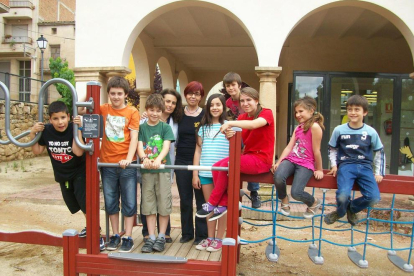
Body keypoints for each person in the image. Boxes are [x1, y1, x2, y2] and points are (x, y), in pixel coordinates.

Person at [30, 101, 105, 251]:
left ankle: (96, 235)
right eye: (56, 119)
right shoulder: (47, 131)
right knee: (74, 203)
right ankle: (92, 227)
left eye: (63, 117)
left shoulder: (73, 128)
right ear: (50, 119)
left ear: (69, 117)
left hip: (79, 172)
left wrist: (78, 130)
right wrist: (33, 133)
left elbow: (77, 152)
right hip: (63, 174)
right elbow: (37, 150)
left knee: (85, 204)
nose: (60, 122)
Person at [197, 87, 275, 220]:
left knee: (228, 164)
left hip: (262, 159)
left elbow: (254, 125)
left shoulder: (266, 113)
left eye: (249, 100)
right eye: (242, 101)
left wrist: (230, 124)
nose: (245, 103)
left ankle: (213, 202)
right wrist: (230, 134)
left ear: (256, 101)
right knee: (217, 166)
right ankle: (222, 204)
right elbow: (238, 139)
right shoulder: (242, 117)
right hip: (248, 156)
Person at [324, 95, 385, 226]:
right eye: (350, 109)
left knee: (374, 197)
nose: (353, 112)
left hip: (365, 166)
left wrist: (379, 172)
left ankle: (352, 209)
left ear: (365, 112)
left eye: (357, 109)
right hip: (346, 166)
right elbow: (332, 149)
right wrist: (334, 165)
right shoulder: (339, 130)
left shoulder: (370, 132)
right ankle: (340, 212)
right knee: (342, 195)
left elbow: (379, 151)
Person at [99, 76, 140, 252]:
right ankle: (116, 234)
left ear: (125, 95)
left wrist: (129, 159)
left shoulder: (132, 112)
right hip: (107, 164)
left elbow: (134, 138)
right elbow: (84, 107)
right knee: (110, 201)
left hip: (126, 164)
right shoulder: (103, 109)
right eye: (113, 93)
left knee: (129, 202)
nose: (116, 97)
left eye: (119, 93)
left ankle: (128, 236)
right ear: (108, 94)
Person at [139, 89, 182, 243]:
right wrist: (144, 158)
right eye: (151, 110)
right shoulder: (142, 126)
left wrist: (158, 159)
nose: (155, 113)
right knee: (148, 202)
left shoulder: (166, 127)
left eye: (158, 110)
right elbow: (139, 144)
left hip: (163, 169)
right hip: (147, 169)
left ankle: (162, 235)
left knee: (164, 202)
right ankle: (150, 236)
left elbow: (166, 146)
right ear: (147, 110)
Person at [271, 96, 324, 219]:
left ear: (311, 111)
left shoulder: (315, 127)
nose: (297, 114)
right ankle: (284, 199)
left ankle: (313, 202)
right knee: (278, 176)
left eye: (301, 111)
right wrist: (279, 161)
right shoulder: (298, 127)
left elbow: (317, 151)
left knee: (296, 192)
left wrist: (319, 169)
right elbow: (289, 147)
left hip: (306, 163)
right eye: (296, 112)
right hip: (291, 159)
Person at [193, 94, 229, 252]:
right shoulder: (203, 128)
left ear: (223, 107)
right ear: (208, 108)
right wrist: (195, 173)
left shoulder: (229, 125)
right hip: (206, 173)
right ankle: (210, 238)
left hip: (223, 174)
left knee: (221, 208)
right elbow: (198, 151)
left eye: (218, 104)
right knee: (209, 207)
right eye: (212, 105)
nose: (215, 108)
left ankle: (220, 239)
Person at [222, 72, 261, 208]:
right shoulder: (228, 102)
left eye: (233, 85)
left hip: (250, 130)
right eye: (228, 86)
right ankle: (233, 188)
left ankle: (254, 192)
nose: (231, 88)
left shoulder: (245, 97)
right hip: (239, 131)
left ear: (239, 85)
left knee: (249, 159)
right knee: (235, 159)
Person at [175, 81, 208, 244]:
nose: (193, 97)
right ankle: (187, 233)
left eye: (196, 94)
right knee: (185, 199)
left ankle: (202, 235)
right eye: (190, 93)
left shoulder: (206, 115)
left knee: (201, 200)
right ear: (185, 95)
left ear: (201, 97)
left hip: (200, 161)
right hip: (181, 161)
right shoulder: (179, 113)